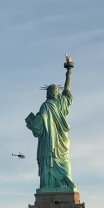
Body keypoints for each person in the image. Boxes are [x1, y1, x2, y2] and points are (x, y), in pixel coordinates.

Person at [25, 56, 77, 191]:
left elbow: (67, 89)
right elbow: (39, 127)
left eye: (55, 90)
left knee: (63, 162)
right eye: (52, 90)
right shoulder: (46, 106)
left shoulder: (57, 104)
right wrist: (33, 122)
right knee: (52, 161)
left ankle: (64, 182)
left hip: (58, 142)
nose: (54, 92)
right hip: (49, 142)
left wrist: (69, 71)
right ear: (49, 93)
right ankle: (48, 185)